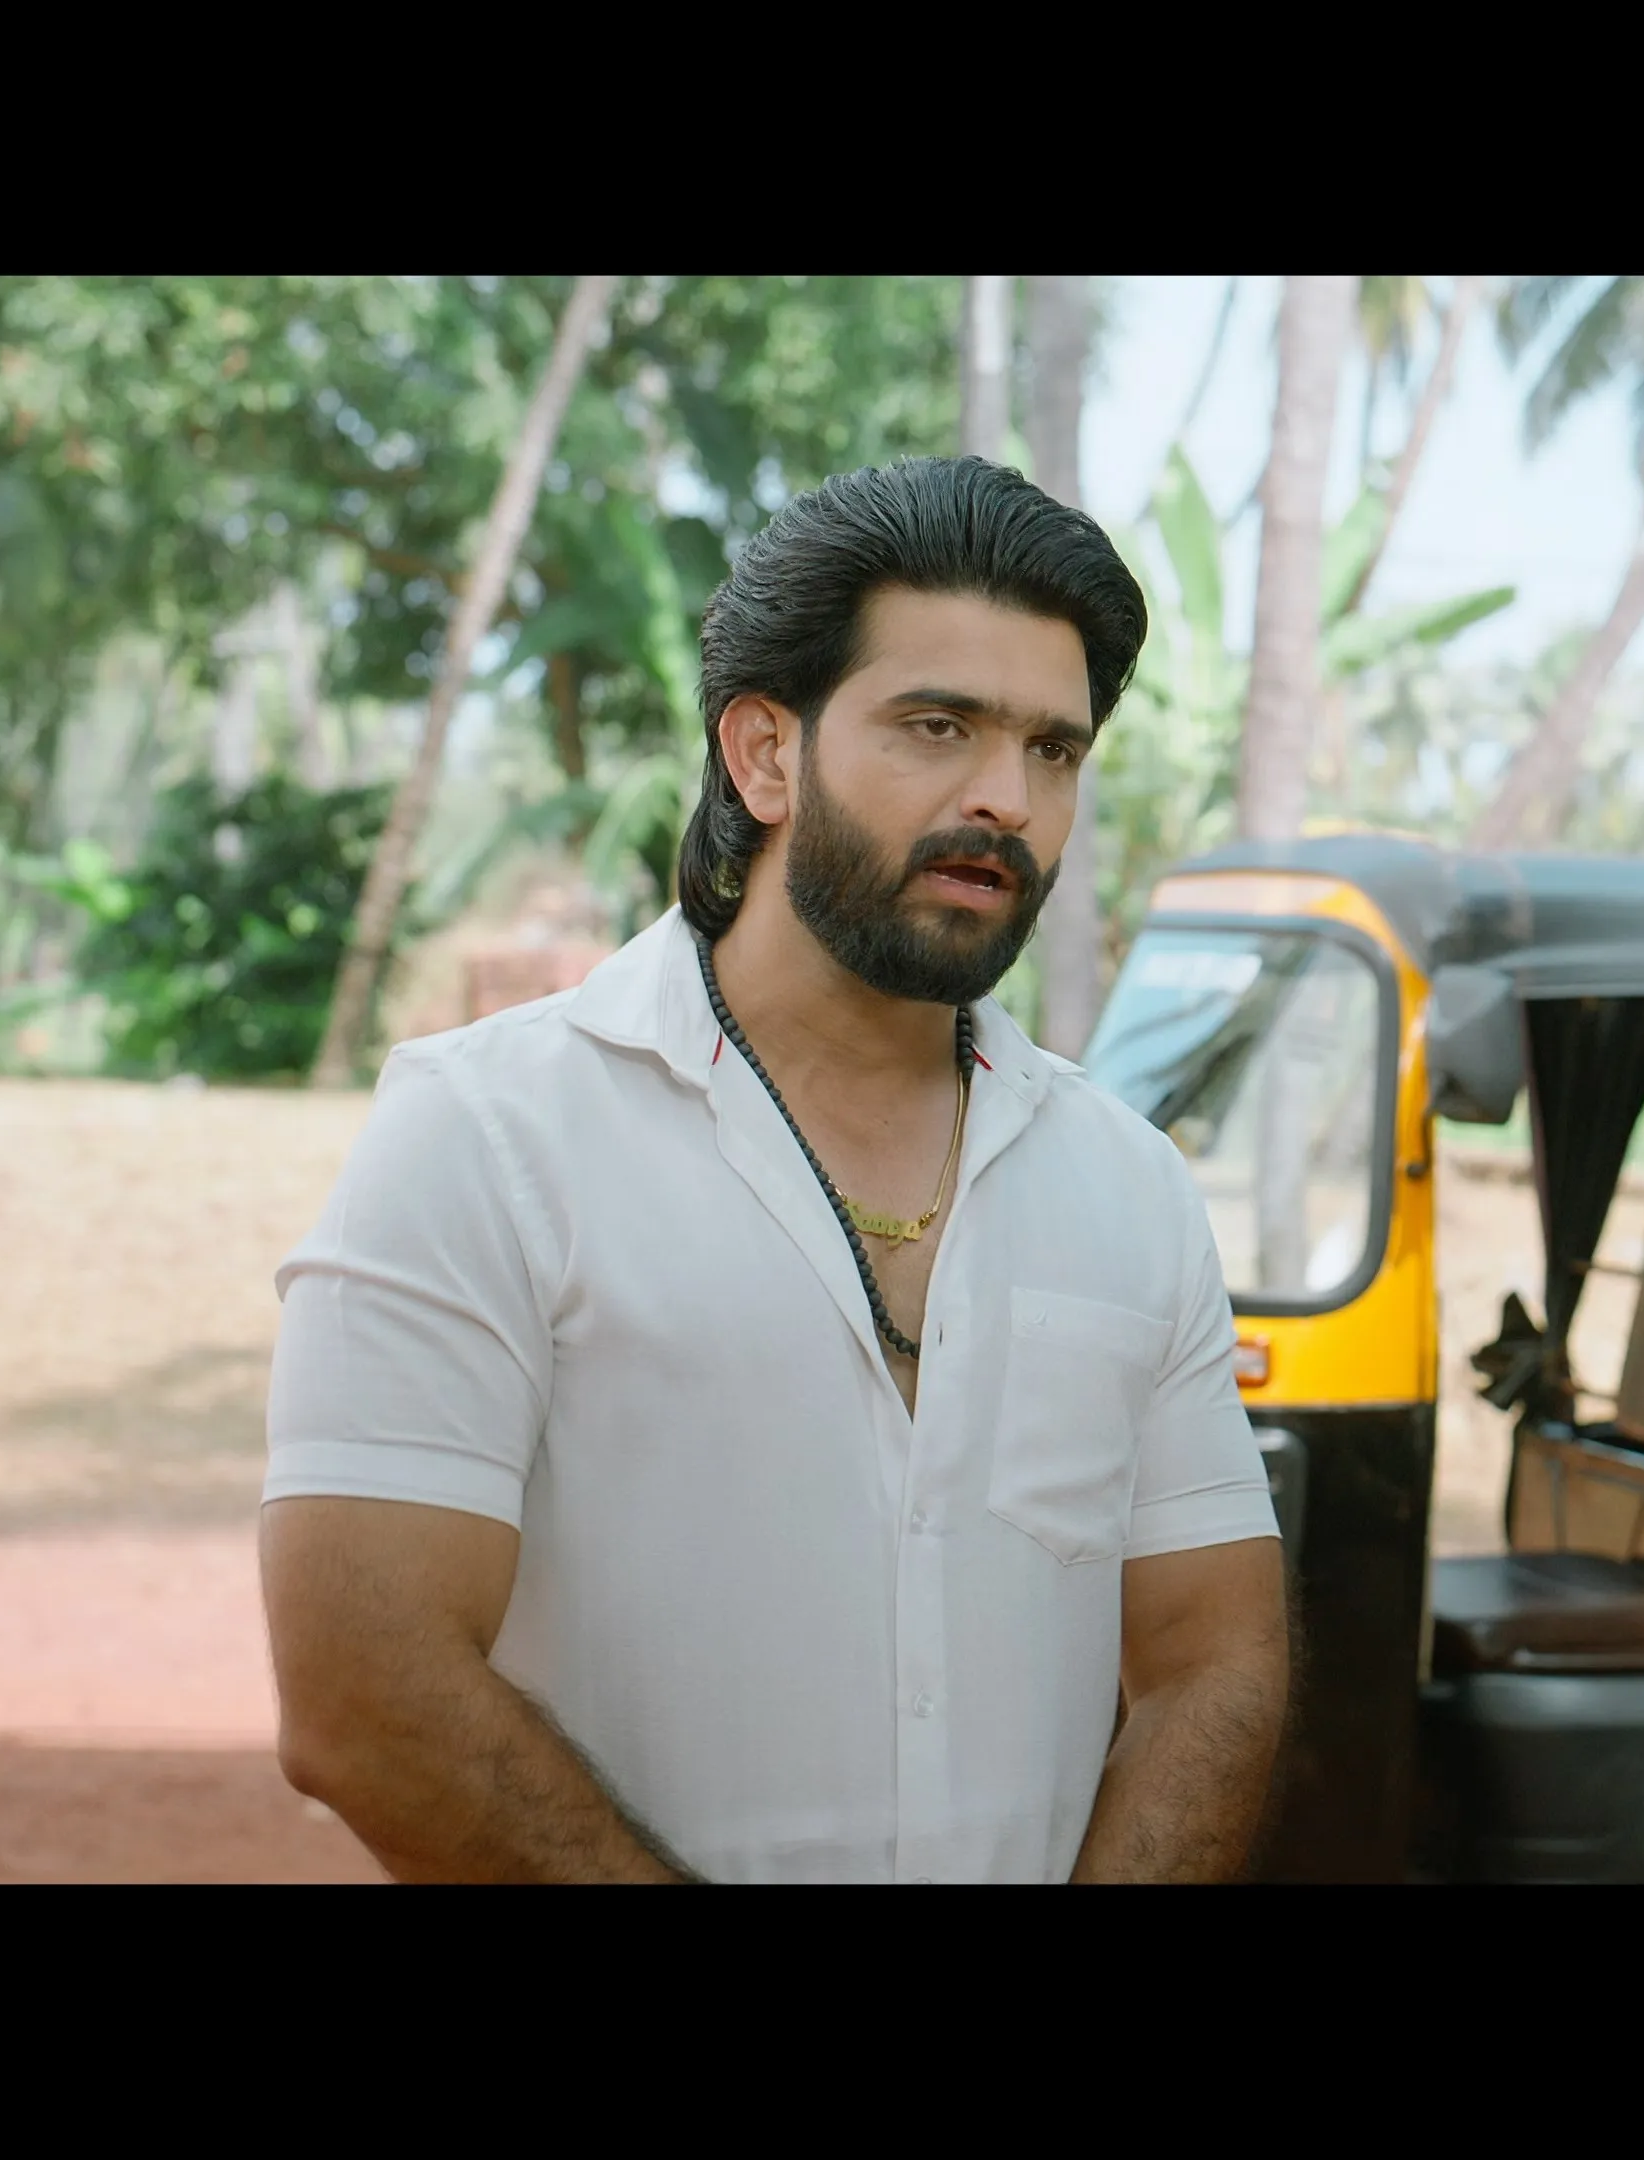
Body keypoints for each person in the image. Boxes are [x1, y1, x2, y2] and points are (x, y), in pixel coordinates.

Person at [260, 457, 1287, 1883]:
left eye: (1054, 750)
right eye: (939, 726)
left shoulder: (1129, 1189)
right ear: (765, 755)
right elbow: (364, 1693)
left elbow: (1213, 1663)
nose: (1006, 796)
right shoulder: (489, 1136)